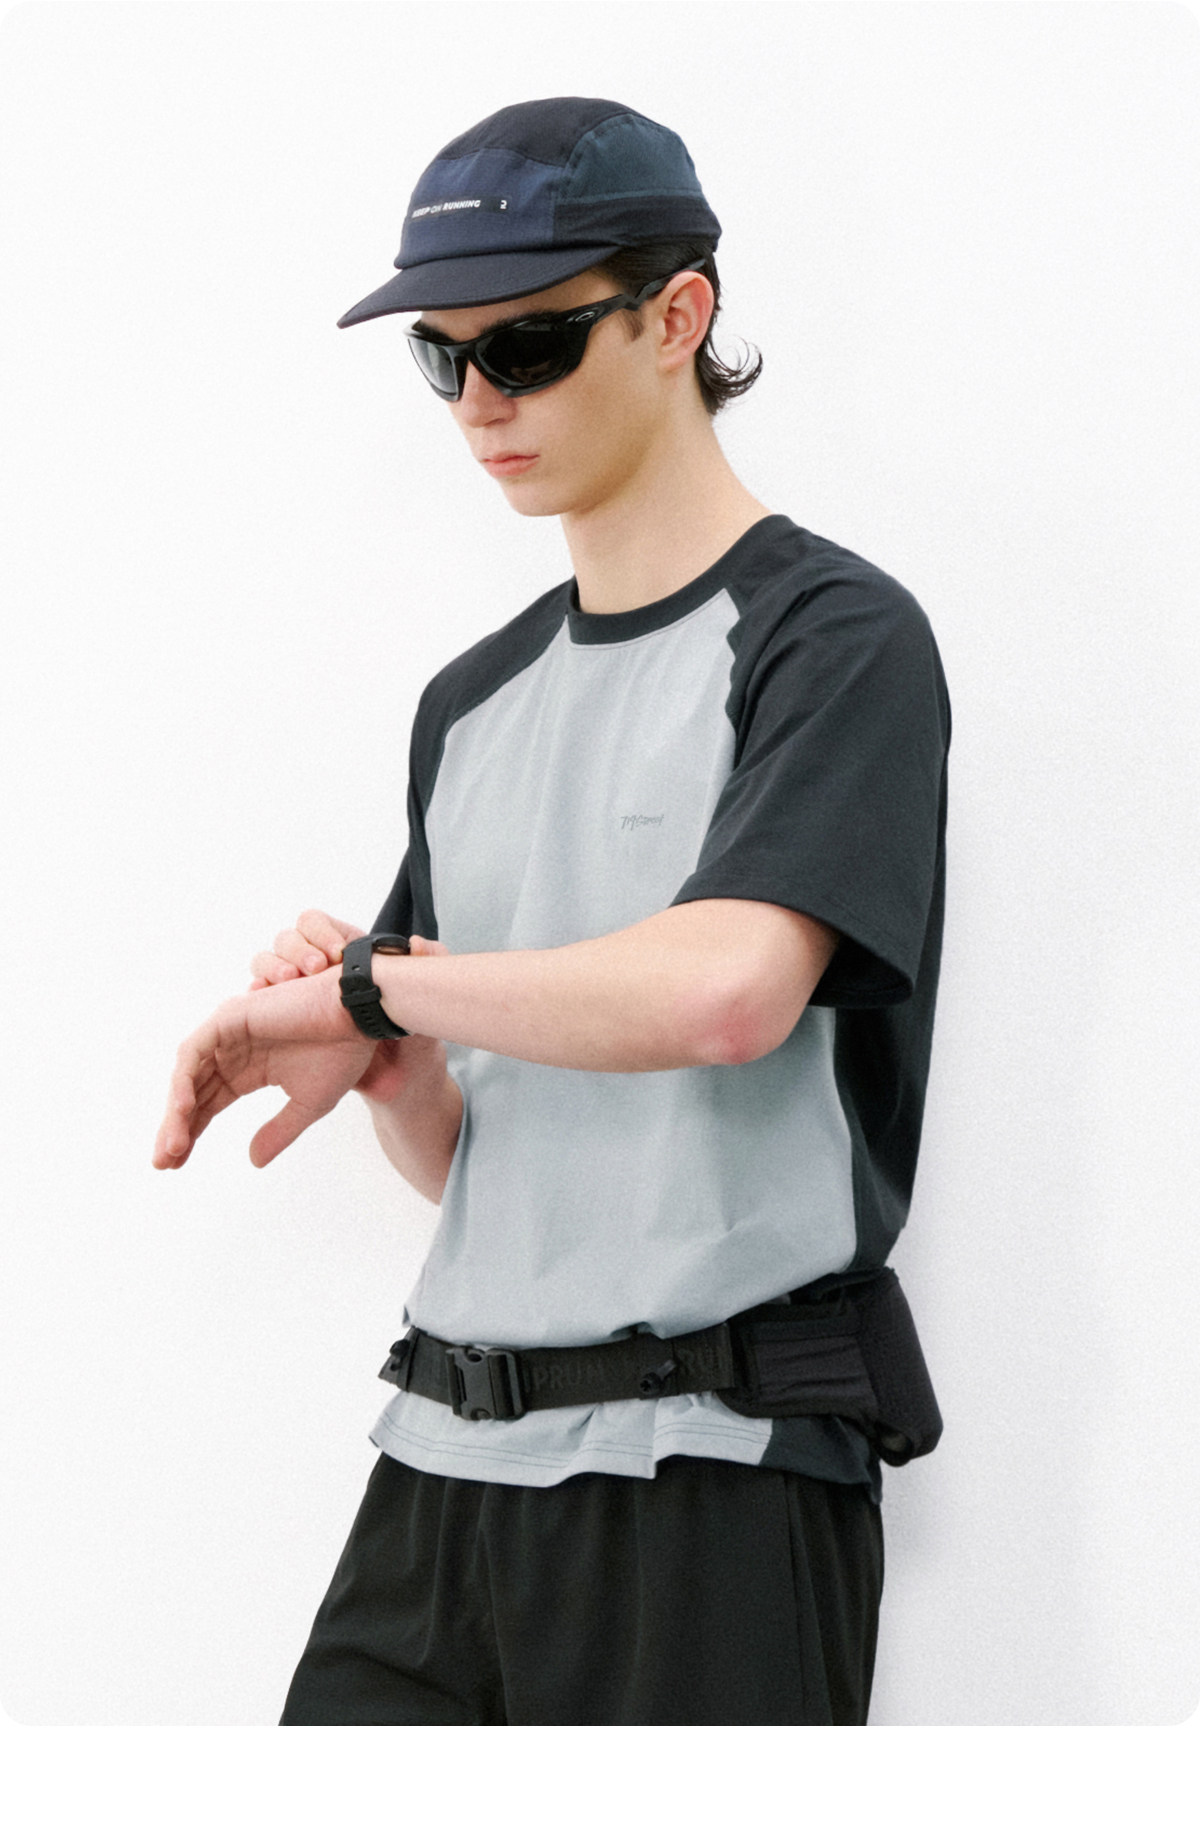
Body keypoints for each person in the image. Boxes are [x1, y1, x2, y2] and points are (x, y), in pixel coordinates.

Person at [153, 96, 951, 1726]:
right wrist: (393, 1071)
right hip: (441, 1471)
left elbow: (728, 993)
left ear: (679, 316)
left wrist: (386, 986)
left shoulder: (834, 639)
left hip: (710, 1472)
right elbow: (491, 1159)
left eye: (525, 344)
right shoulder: (472, 704)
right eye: (441, 359)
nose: (479, 403)